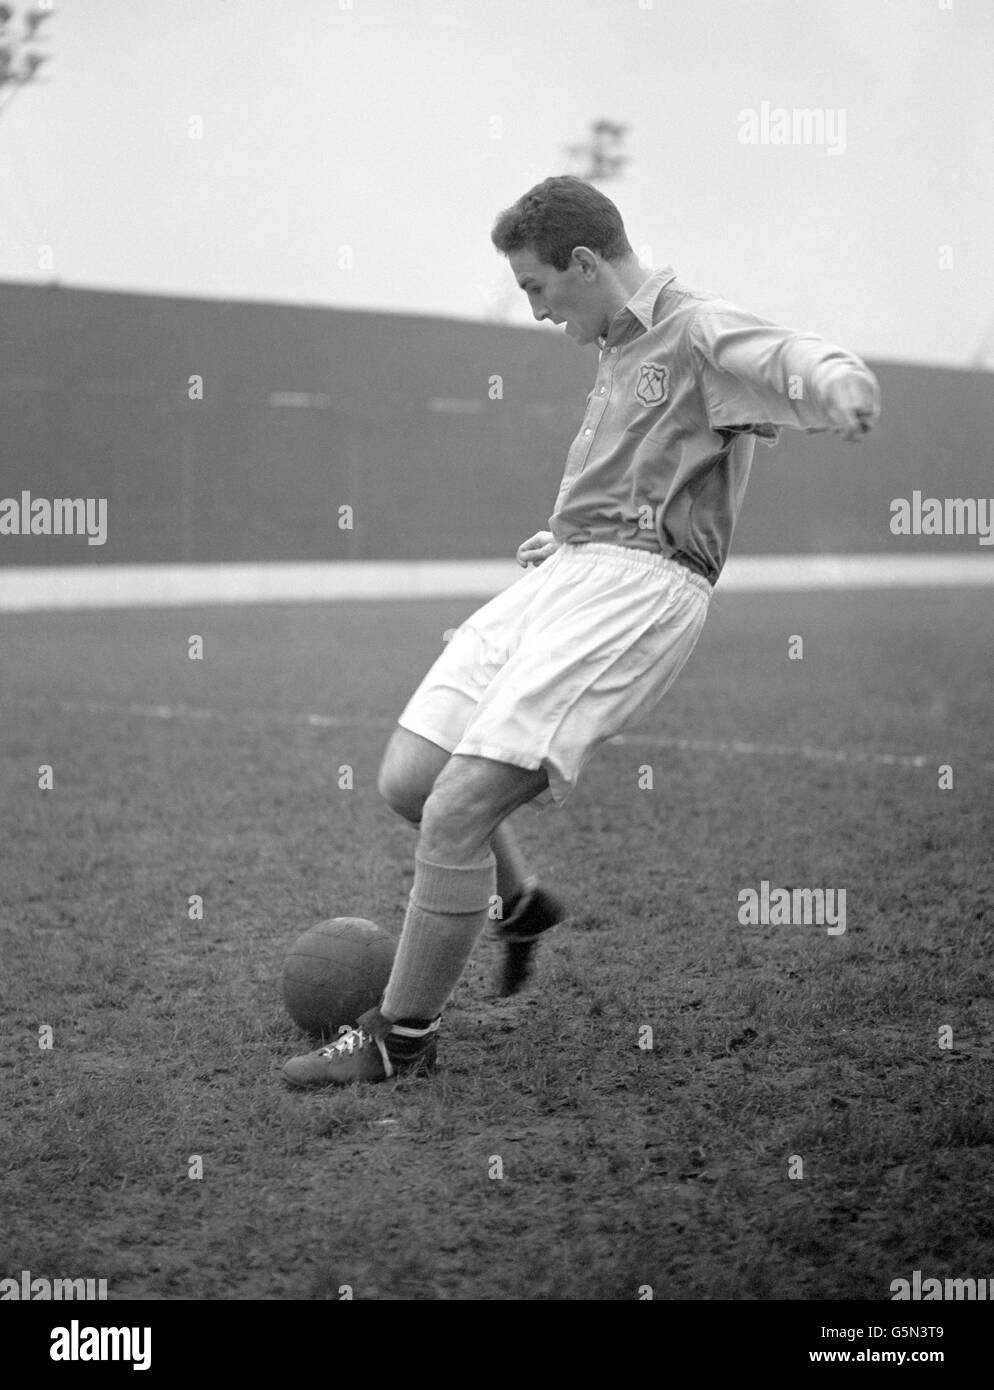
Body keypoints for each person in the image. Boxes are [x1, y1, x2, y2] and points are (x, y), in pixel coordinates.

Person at [283, 175, 881, 1087]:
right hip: (564, 574)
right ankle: (517, 900)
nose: (534, 310)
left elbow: (792, 355)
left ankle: (399, 1042)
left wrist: (839, 384)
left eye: (536, 288)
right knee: (411, 778)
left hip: (638, 593)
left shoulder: (695, 327)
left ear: (588, 262)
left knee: (455, 811)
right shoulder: (615, 345)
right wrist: (569, 535)